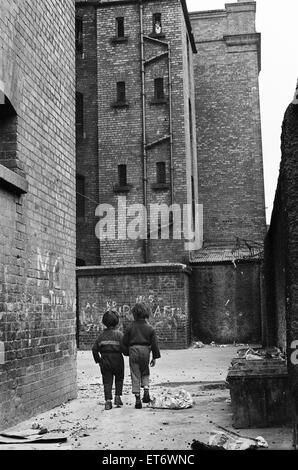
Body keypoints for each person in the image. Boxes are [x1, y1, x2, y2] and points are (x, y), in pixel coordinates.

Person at [122, 302, 161, 409]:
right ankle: (146, 389)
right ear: (146, 314)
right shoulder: (150, 328)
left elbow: (124, 342)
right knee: (145, 371)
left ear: (134, 314)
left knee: (135, 374)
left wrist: (126, 352)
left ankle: (137, 397)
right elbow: (154, 344)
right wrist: (154, 357)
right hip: (145, 351)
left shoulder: (130, 327)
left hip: (133, 350)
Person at [92, 310, 125, 411]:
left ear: (104, 322)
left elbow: (94, 349)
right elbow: (124, 348)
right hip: (118, 359)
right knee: (119, 378)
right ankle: (118, 397)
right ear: (117, 322)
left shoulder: (101, 336)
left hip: (105, 360)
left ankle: (108, 401)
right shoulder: (120, 335)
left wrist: (98, 360)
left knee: (107, 381)